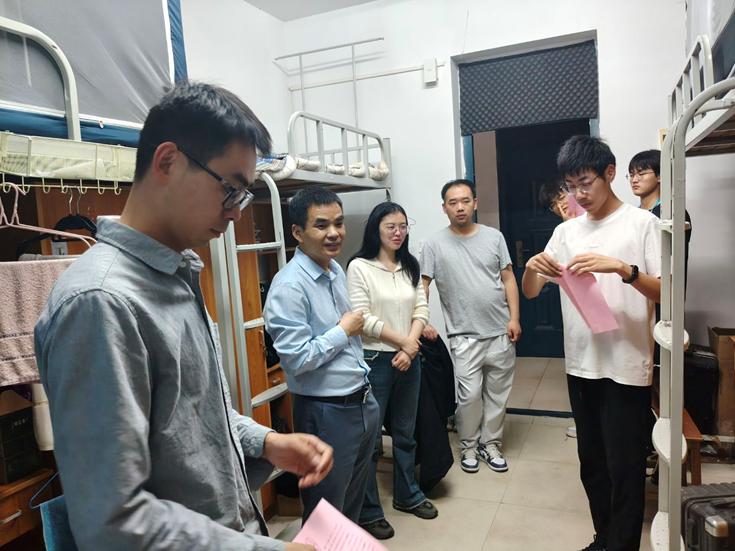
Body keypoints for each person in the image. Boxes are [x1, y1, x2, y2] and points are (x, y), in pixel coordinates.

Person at [34, 82, 331, 551]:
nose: (236, 213)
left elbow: (194, 420)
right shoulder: (100, 302)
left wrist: (266, 443)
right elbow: (114, 520)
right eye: (231, 190)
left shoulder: (177, 276)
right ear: (168, 162)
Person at [522, 135, 661, 551]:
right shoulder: (566, 231)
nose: (578, 194)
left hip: (627, 363)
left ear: (609, 174)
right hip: (581, 362)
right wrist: (531, 267)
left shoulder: (643, 224)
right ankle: (604, 539)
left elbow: (667, 292)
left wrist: (622, 269)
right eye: (571, 186)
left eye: (585, 183)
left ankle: (623, 545)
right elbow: (531, 291)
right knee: (592, 464)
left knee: (625, 466)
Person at [264, 187, 380, 525]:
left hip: (361, 400)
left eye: (339, 223)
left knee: (352, 506)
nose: (334, 233)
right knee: (325, 515)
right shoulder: (289, 286)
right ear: (298, 232)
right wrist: (343, 330)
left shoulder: (334, 270)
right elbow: (296, 360)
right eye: (321, 225)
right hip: (326, 411)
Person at [346, 202, 437, 540]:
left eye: (402, 226)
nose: (398, 232)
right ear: (376, 229)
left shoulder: (409, 266)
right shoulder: (359, 267)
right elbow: (362, 318)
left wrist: (409, 347)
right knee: (370, 442)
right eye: (390, 226)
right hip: (374, 360)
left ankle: (407, 494)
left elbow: (421, 309)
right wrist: (406, 343)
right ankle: (369, 509)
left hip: (407, 360)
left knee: (405, 434)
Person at [420, 179, 521, 474]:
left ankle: (490, 444)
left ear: (475, 203)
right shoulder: (434, 244)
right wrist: (422, 322)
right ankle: (469, 445)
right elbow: (423, 285)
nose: (460, 207)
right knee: (469, 395)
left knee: (498, 393)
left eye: (465, 200)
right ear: (444, 208)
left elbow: (508, 278)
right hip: (463, 334)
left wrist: (514, 318)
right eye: (453, 203)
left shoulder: (494, 237)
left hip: (500, 330)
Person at [538, 177, 578, 439]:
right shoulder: (562, 232)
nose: (560, 206)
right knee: (579, 376)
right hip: (576, 316)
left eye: (562, 198)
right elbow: (536, 284)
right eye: (554, 205)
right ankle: (585, 422)